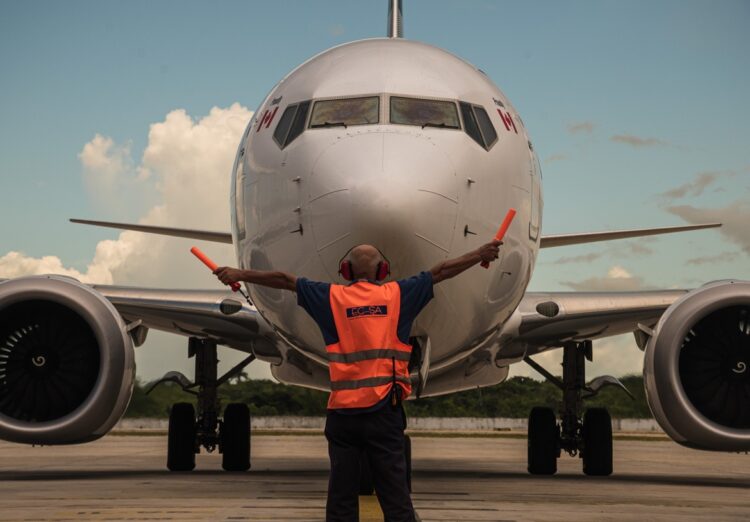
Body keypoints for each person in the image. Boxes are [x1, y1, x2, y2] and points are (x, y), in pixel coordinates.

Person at [214, 240, 502, 522]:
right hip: (383, 414)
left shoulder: (331, 297)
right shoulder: (398, 295)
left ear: (346, 271)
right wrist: (479, 254)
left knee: (341, 497)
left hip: (343, 414)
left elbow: (284, 280)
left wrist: (239, 274)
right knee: (395, 496)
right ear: (383, 271)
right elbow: (441, 271)